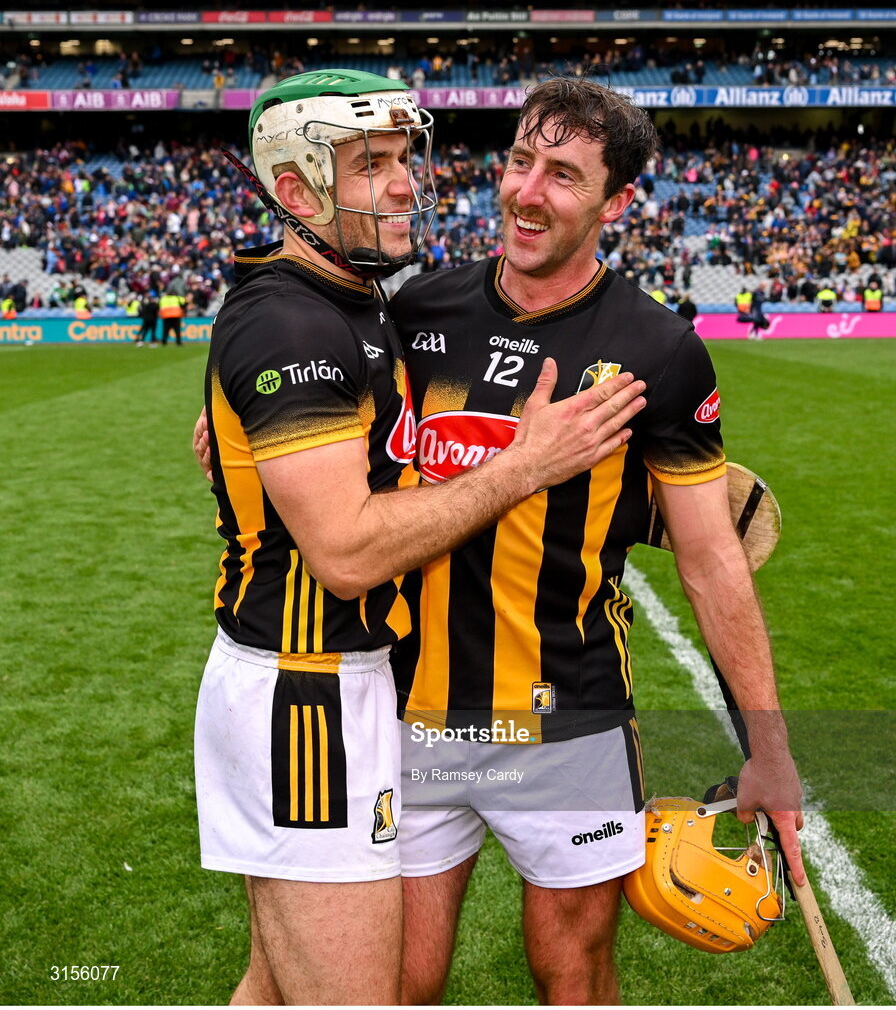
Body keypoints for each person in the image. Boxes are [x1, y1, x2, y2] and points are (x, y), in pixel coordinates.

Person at [193, 69, 645, 1007]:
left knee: (278, 987)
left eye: (405, 158)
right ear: (296, 191)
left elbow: (379, 467)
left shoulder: (360, 303)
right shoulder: (292, 323)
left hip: (336, 685)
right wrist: (528, 463)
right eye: (371, 165)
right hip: (303, 694)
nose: (405, 183)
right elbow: (349, 552)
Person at [388, 78, 805, 1005]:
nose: (527, 191)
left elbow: (708, 559)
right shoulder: (416, 315)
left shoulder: (656, 349)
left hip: (567, 717)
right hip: (411, 714)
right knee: (394, 984)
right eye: (520, 160)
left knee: (572, 978)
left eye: (564, 175)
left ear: (617, 202)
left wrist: (767, 746)